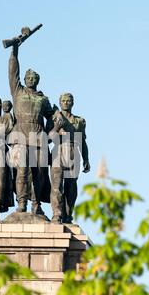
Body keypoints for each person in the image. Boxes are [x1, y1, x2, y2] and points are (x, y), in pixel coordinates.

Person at [8, 41, 53, 214]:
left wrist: (50, 133)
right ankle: (22, 203)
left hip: (38, 136)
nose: (31, 80)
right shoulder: (18, 91)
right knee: (22, 171)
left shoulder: (43, 99)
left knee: (39, 173)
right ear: (25, 80)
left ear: (38, 81)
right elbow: (13, 72)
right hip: (20, 134)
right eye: (28, 78)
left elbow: (53, 118)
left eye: (34, 78)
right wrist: (15, 51)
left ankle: (36, 203)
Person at [49, 93, 90, 223]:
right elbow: (48, 138)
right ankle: (57, 213)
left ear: (72, 103)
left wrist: (86, 159)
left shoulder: (79, 121)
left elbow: (83, 141)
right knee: (56, 185)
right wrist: (57, 127)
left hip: (73, 152)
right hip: (58, 151)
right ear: (60, 103)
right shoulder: (54, 118)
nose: (66, 103)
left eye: (68, 101)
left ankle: (68, 215)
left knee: (71, 187)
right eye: (63, 101)